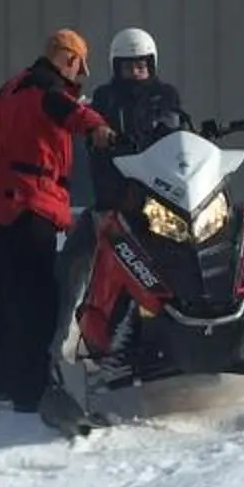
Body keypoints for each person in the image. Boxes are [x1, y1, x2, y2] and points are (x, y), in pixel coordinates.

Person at [0, 29, 115, 410]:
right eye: (79, 67)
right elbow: (72, 113)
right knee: (37, 301)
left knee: (3, 299)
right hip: (28, 208)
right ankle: (30, 392)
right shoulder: (47, 90)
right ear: (69, 59)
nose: (78, 76)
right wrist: (99, 128)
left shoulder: (6, 91)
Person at [60, 25, 189, 324]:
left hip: (158, 203)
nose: (135, 72)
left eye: (141, 66)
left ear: (152, 64)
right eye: (128, 66)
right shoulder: (104, 99)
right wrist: (102, 138)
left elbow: (174, 133)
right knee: (71, 266)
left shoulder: (165, 96)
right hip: (112, 202)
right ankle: (55, 344)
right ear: (116, 67)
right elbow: (90, 132)